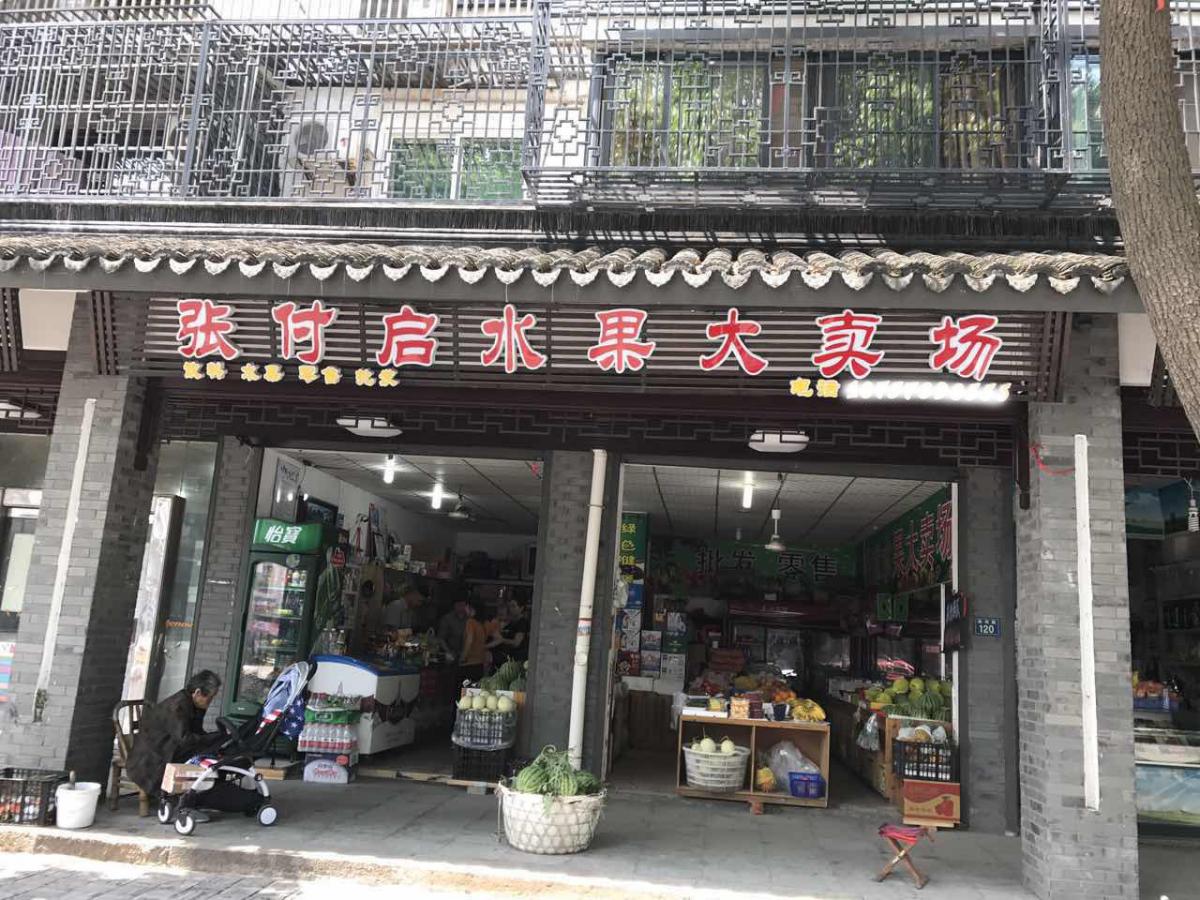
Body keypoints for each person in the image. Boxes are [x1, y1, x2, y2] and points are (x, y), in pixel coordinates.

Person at [127, 670, 224, 800]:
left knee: (210, 750)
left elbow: (197, 732)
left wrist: (213, 737)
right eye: (210, 698)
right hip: (150, 758)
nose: (210, 701)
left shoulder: (192, 704)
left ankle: (203, 791)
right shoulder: (178, 706)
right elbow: (185, 739)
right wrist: (214, 737)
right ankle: (192, 793)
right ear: (197, 693)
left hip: (165, 747)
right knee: (203, 755)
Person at [458, 602, 488, 684]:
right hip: (480, 663)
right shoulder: (481, 624)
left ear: (470, 608)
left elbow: (469, 640)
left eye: (466, 607)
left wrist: (462, 658)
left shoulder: (470, 622)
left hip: (469, 663)